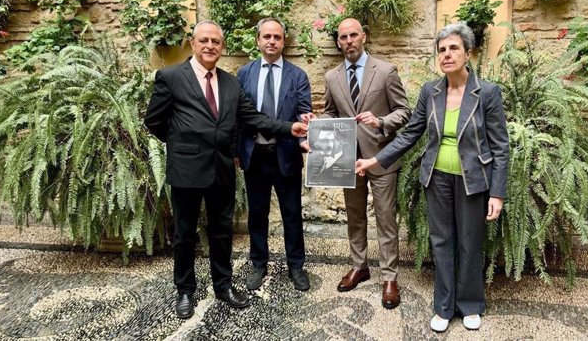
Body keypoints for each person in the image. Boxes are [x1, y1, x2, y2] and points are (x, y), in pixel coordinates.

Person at [144, 20, 308, 319]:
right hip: (187, 170)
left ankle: (223, 285)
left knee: (222, 232)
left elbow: (254, 117)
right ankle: (185, 289)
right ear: (193, 43)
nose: (210, 46)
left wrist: (290, 128)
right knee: (184, 234)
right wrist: (182, 142)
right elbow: (154, 121)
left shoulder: (231, 82)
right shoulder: (170, 77)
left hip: (222, 170)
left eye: (216, 42)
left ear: (222, 47)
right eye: (204, 41)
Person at [355, 22, 509, 331]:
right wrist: (375, 159)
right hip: (437, 178)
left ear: (468, 54)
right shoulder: (431, 91)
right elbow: (410, 134)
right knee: (441, 241)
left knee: (469, 242)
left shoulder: (487, 92)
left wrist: (497, 192)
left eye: (453, 48)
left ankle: (469, 305)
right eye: (441, 49)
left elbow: (500, 146)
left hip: (473, 179)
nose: (447, 54)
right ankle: (443, 305)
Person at [306, 18, 410, 309]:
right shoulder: (332, 77)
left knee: (386, 219)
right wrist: (317, 123)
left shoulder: (386, 71)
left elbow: (404, 111)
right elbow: (330, 113)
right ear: (338, 42)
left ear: (363, 37)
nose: (349, 40)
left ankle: (389, 277)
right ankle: (359, 266)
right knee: (355, 217)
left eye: (353, 35)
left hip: (380, 158)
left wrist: (381, 121)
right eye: (343, 37)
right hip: (346, 161)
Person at [236, 18, 312, 292]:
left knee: (292, 213)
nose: (272, 41)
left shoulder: (297, 75)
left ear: (284, 41)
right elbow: (239, 117)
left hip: (286, 155)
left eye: (277, 37)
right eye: (267, 36)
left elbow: (304, 112)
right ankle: (258, 263)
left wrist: (304, 139)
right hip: (254, 155)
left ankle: (296, 265)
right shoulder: (244, 73)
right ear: (258, 40)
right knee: (257, 214)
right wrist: (236, 152)